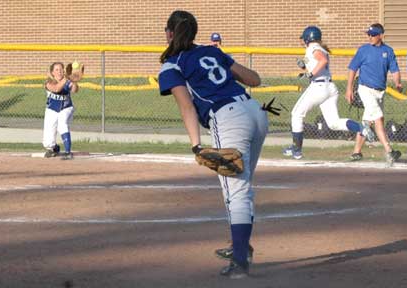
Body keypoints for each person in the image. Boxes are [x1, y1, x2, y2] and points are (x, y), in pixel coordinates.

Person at [158, 10, 268, 279]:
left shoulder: (173, 63)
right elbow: (254, 80)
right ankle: (240, 246)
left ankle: (240, 262)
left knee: (236, 191)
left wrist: (196, 146)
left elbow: (186, 107)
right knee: (243, 186)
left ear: (170, 33)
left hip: (229, 118)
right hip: (255, 112)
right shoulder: (211, 51)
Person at [283, 26, 374, 159]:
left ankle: (296, 149)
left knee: (296, 114)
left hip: (319, 86)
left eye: (304, 38)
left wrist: (310, 74)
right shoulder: (319, 48)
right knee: (334, 123)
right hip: (329, 87)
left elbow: (322, 61)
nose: (303, 41)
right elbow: (318, 62)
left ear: (309, 38)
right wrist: (304, 67)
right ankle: (362, 128)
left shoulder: (313, 48)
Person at [345, 23, 402, 165]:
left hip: (380, 91)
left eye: (373, 34)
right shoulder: (363, 50)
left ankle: (356, 152)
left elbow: (394, 70)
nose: (370, 37)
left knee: (368, 121)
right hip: (365, 89)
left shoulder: (388, 51)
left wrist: (397, 83)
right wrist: (349, 89)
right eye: (368, 34)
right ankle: (389, 151)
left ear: (381, 35)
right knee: (379, 119)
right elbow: (353, 69)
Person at [42, 62, 78, 160]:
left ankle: (68, 152)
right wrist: (67, 78)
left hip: (66, 108)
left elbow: (75, 90)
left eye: (61, 69)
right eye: (57, 70)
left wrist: (74, 81)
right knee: (47, 142)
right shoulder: (48, 82)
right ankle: (54, 148)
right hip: (51, 110)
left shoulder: (67, 81)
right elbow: (56, 89)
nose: (59, 72)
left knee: (62, 124)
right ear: (52, 72)